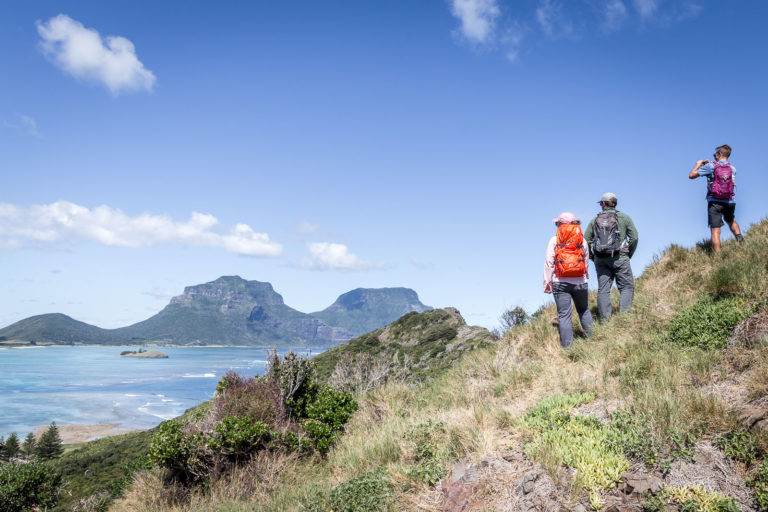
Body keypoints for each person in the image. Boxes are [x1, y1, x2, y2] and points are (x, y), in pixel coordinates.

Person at [543, 212, 593, 349]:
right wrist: (583, 275)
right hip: (580, 281)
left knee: (564, 315)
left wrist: (547, 282)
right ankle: (595, 340)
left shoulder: (554, 240)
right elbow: (586, 261)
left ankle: (568, 348)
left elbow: (549, 263)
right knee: (584, 310)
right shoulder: (582, 240)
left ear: (560, 224)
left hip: (560, 281)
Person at [585, 193, 639, 319]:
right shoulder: (624, 218)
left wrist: (593, 257)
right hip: (621, 258)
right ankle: (624, 319)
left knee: (603, 289)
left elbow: (586, 241)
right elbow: (634, 237)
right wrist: (628, 253)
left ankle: (605, 321)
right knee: (626, 287)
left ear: (604, 204)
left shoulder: (595, 220)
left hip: (601, 260)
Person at [688, 144, 744, 251]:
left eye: (715, 154)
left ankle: (718, 257)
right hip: (729, 201)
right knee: (731, 221)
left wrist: (698, 165)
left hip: (715, 202)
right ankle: (742, 243)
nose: (714, 156)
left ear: (719, 154)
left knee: (715, 230)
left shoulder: (711, 167)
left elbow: (691, 175)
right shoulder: (732, 168)